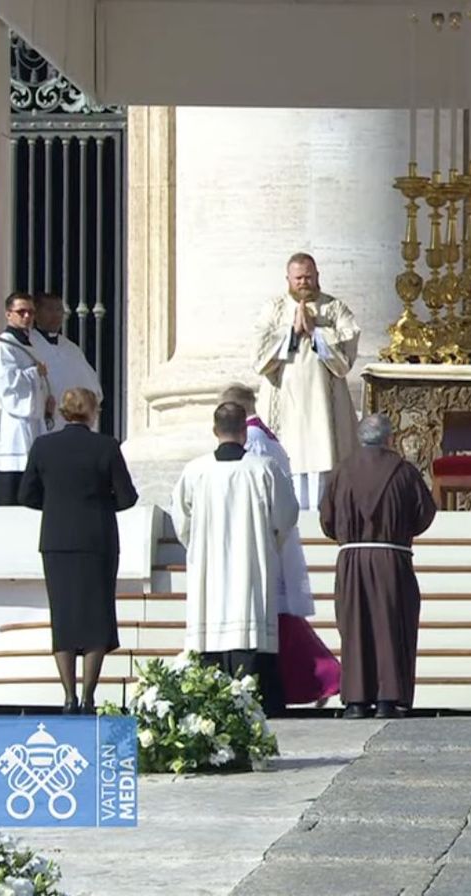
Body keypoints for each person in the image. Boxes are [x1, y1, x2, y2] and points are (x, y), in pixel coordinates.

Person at [170, 402, 300, 716]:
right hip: (250, 565)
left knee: (210, 625)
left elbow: (181, 519)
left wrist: (199, 545)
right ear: (244, 431)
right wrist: (269, 541)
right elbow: (287, 514)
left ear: (215, 431)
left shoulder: (196, 470)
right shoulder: (264, 468)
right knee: (250, 626)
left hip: (208, 569)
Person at [18, 388, 139, 714]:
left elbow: (26, 494)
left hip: (57, 540)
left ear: (63, 412)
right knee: (98, 617)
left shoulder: (44, 446)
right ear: (92, 413)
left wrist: (57, 506)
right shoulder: (106, 446)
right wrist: (101, 505)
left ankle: (68, 695)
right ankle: (88, 696)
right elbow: (128, 497)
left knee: (64, 617)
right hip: (97, 539)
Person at [219, 383, 339, 708]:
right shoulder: (264, 436)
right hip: (271, 537)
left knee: (273, 621)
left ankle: (325, 676)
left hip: (258, 538)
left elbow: (250, 489)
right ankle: (317, 679)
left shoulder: (254, 441)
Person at [320, 414, 438, 719]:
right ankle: (389, 699)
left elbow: (327, 521)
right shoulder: (403, 472)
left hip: (353, 560)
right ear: (389, 438)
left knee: (354, 626)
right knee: (391, 626)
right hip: (391, 559)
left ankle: (357, 701)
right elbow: (424, 513)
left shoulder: (342, 472)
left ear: (361, 438)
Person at [252, 252, 360, 508]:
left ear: (317, 276)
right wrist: (291, 332)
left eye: (309, 277)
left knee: (325, 457)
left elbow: (345, 359)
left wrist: (316, 332)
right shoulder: (273, 309)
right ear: (288, 279)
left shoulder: (335, 309)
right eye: (298, 278)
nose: (304, 283)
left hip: (323, 406)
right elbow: (258, 357)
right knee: (286, 460)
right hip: (285, 404)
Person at [0, 291, 53, 505]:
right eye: (21, 312)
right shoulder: (5, 345)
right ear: (8, 314)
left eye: (31, 312)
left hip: (31, 421)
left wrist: (46, 403)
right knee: (12, 485)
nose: (27, 316)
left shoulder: (27, 343)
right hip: (12, 427)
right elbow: (6, 384)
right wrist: (34, 373)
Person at [28, 293, 103, 429]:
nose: (56, 315)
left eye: (59, 310)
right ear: (36, 313)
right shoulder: (29, 344)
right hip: (43, 419)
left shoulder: (71, 348)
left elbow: (90, 382)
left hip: (74, 421)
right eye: (50, 309)